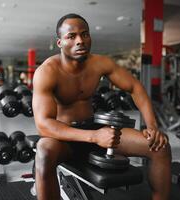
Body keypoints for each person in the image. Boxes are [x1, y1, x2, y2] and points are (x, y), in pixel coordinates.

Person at [32, 13, 171, 200]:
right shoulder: (47, 72)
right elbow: (43, 124)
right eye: (71, 36)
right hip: (64, 138)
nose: (80, 40)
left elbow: (135, 87)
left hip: (94, 128)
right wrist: (94, 137)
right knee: (43, 152)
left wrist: (152, 126)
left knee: (160, 147)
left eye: (85, 34)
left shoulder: (100, 63)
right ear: (60, 43)